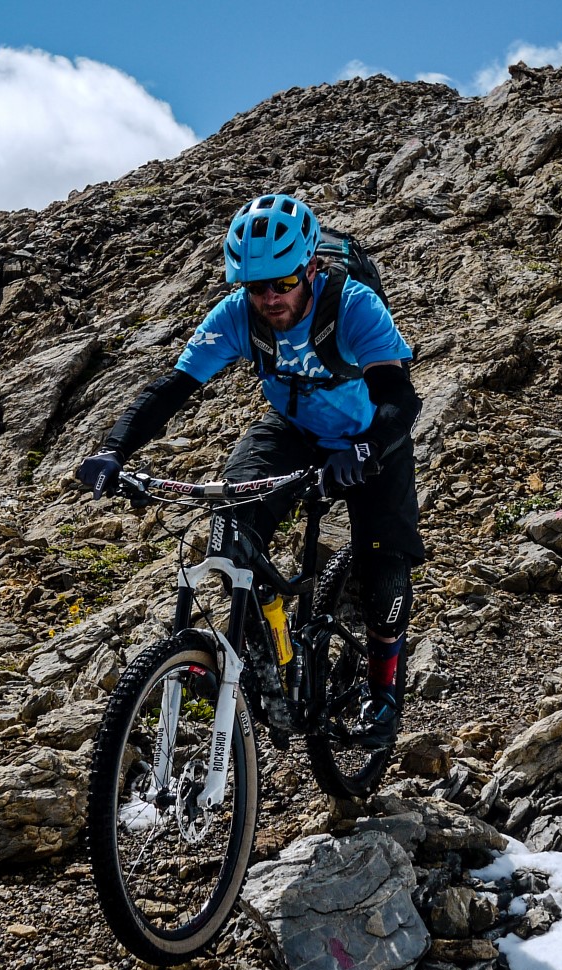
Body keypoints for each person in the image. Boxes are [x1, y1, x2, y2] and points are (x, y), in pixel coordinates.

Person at [76, 194, 423, 747]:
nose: (269, 298)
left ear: (310, 267)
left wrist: (365, 450)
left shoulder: (353, 306)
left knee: (385, 570)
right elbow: (172, 390)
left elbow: (398, 397)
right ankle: (272, 646)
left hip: (368, 437)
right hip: (293, 429)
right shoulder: (238, 315)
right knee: (230, 526)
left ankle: (382, 693)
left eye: (282, 283)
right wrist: (115, 451)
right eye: (255, 287)